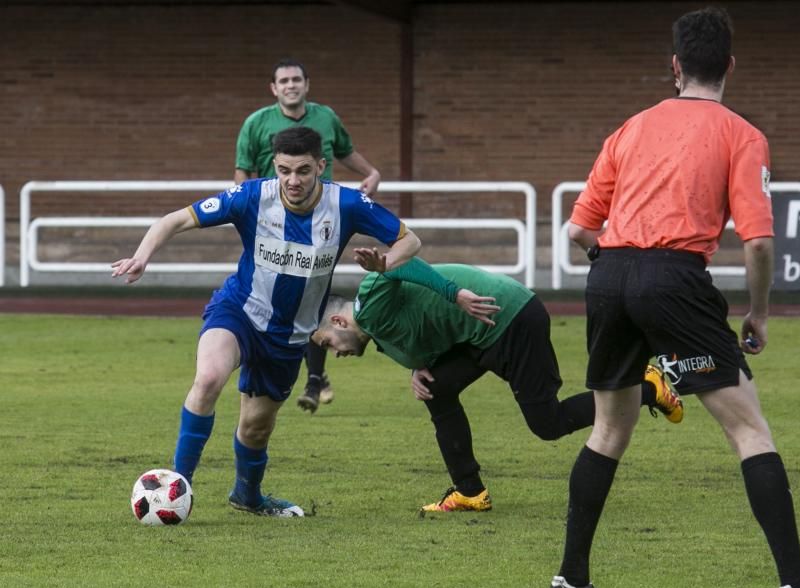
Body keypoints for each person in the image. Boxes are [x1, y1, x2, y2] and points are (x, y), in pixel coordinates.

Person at [547, 7, 800, 588]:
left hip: (608, 274)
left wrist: (618, 270)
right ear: (731, 66)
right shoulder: (741, 134)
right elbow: (759, 243)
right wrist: (759, 313)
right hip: (673, 277)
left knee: (608, 431)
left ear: (675, 66)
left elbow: (578, 228)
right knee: (749, 430)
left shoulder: (630, 128)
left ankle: (571, 582)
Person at [112, 126, 421, 518]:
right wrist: (142, 255)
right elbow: (175, 220)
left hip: (289, 337)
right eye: (284, 170)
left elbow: (410, 240)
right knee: (208, 379)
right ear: (274, 166)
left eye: (303, 171)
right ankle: (177, 487)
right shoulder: (252, 195)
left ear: (321, 167)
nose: (293, 181)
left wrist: (385, 263)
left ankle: (248, 496)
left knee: (255, 429)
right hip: (239, 310)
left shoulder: (348, 204)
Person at [310, 259, 683, 513]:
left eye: (326, 344)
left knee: (548, 424)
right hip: (481, 336)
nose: (334, 355)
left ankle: (648, 386)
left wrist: (387, 265)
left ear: (341, 323)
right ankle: (470, 492)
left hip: (511, 318)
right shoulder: (379, 337)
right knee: (436, 389)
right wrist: (419, 369)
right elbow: (426, 332)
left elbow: (402, 262)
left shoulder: (371, 298)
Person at [235, 58, 383, 414]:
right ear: (274, 88)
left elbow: (345, 152)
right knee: (282, 298)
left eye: (296, 79)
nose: (290, 85)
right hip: (277, 222)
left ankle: (314, 378)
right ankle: (307, 371)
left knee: (313, 297)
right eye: (283, 80)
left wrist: (371, 172)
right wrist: (248, 215)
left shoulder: (326, 117)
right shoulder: (256, 123)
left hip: (323, 223)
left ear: (306, 84)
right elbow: (243, 173)